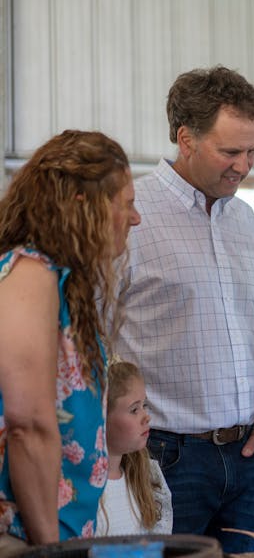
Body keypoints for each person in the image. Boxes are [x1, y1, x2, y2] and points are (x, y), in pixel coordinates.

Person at [113, 66, 254, 553]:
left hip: (251, 457)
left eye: (252, 150)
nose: (244, 165)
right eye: (230, 151)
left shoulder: (248, 222)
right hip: (164, 459)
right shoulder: (131, 216)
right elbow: (96, 342)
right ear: (185, 138)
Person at [0, 130, 141, 551]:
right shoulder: (30, 272)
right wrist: (49, 549)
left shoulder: (58, 281)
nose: (135, 219)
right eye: (126, 205)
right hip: (24, 537)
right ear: (84, 206)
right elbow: (28, 426)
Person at [96, 360, 172, 536]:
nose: (146, 417)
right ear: (100, 417)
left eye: (144, 405)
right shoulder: (83, 489)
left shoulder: (145, 478)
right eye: (134, 410)